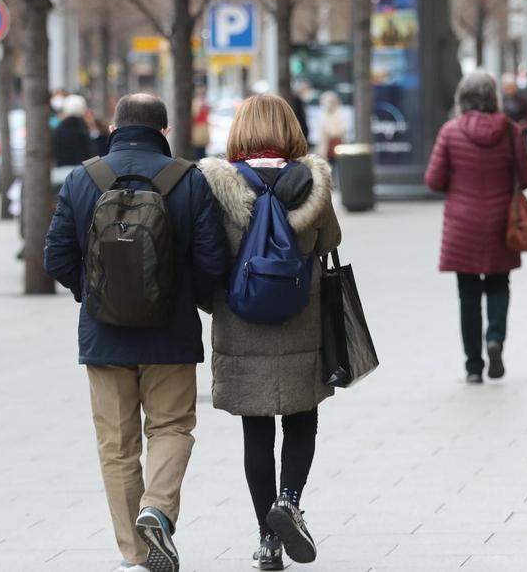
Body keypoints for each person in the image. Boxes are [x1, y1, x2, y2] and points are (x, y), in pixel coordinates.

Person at [43, 94, 231, 572]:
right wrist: (184, 295)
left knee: (117, 446)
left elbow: (56, 257)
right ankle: (158, 508)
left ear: (112, 126)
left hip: (104, 337)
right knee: (171, 427)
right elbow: (212, 260)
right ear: (163, 132)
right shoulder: (188, 179)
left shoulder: (83, 178)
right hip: (170, 336)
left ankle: (137, 553)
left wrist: (93, 295)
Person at [198, 94, 341, 571]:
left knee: (255, 429)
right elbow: (330, 241)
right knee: (302, 419)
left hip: (241, 322)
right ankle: (290, 500)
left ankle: (266, 539)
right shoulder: (313, 181)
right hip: (301, 315)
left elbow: (209, 253)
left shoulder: (216, 185)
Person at [425, 71, 527, 384]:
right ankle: (495, 339)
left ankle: (473, 367)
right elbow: (526, 178)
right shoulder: (511, 131)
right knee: (500, 284)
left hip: (463, 224)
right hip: (503, 221)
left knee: (468, 294)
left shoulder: (450, 131)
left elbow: (433, 180)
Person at [52, 94, 95, 168]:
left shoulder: (59, 129)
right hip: (82, 170)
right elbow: (90, 152)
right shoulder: (83, 129)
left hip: (61, 170)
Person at [315, 91, 346, 162]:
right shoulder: (323, 115)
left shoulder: (340, 113)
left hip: (338, 146)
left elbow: (340, 130)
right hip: (325, 148)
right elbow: (321, 132)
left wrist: (331, 133)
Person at [190, 92, 211, 161]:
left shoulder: (201, 102)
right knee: (199, 151)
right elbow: (195, 116)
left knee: (202, 150)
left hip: (202, 129)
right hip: (199, 129)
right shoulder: (197, 103)